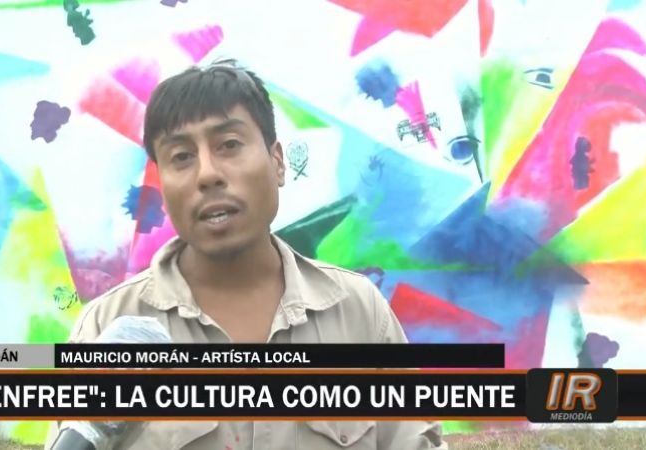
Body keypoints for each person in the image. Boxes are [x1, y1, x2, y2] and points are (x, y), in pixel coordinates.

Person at [45, 59, 446, 450]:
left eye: (229, 145)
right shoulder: (107, 327)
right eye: (181, 156)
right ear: (162, 184)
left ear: (278, 162)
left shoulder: (358, 313)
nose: (207, 174)